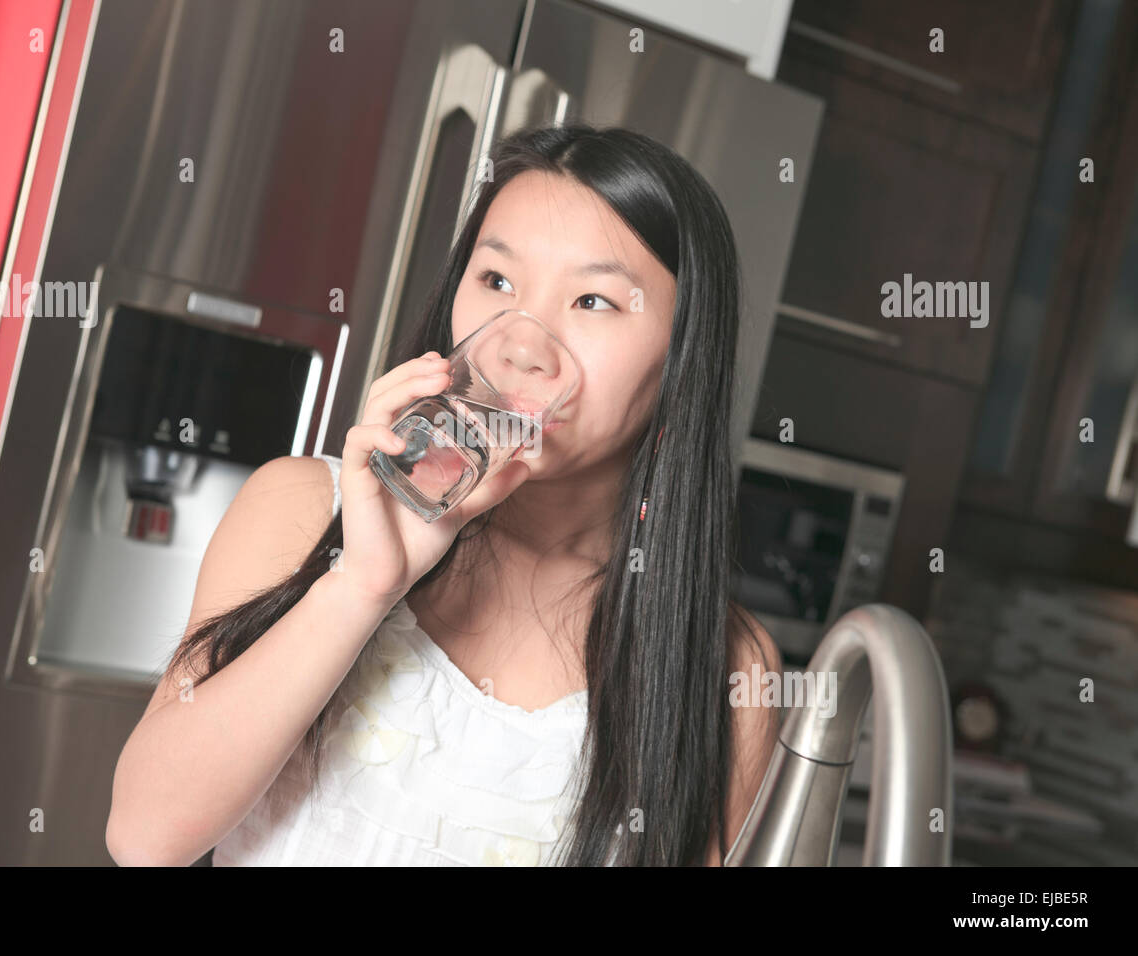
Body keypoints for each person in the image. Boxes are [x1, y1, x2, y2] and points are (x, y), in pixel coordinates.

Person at [106, 123, 782, 867]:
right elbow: (145, 837)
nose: (522, 343)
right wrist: (363, 585)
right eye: (497, 281)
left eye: (592, 301)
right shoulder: (300, 507)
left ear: (683, 356)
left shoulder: (722, 665)